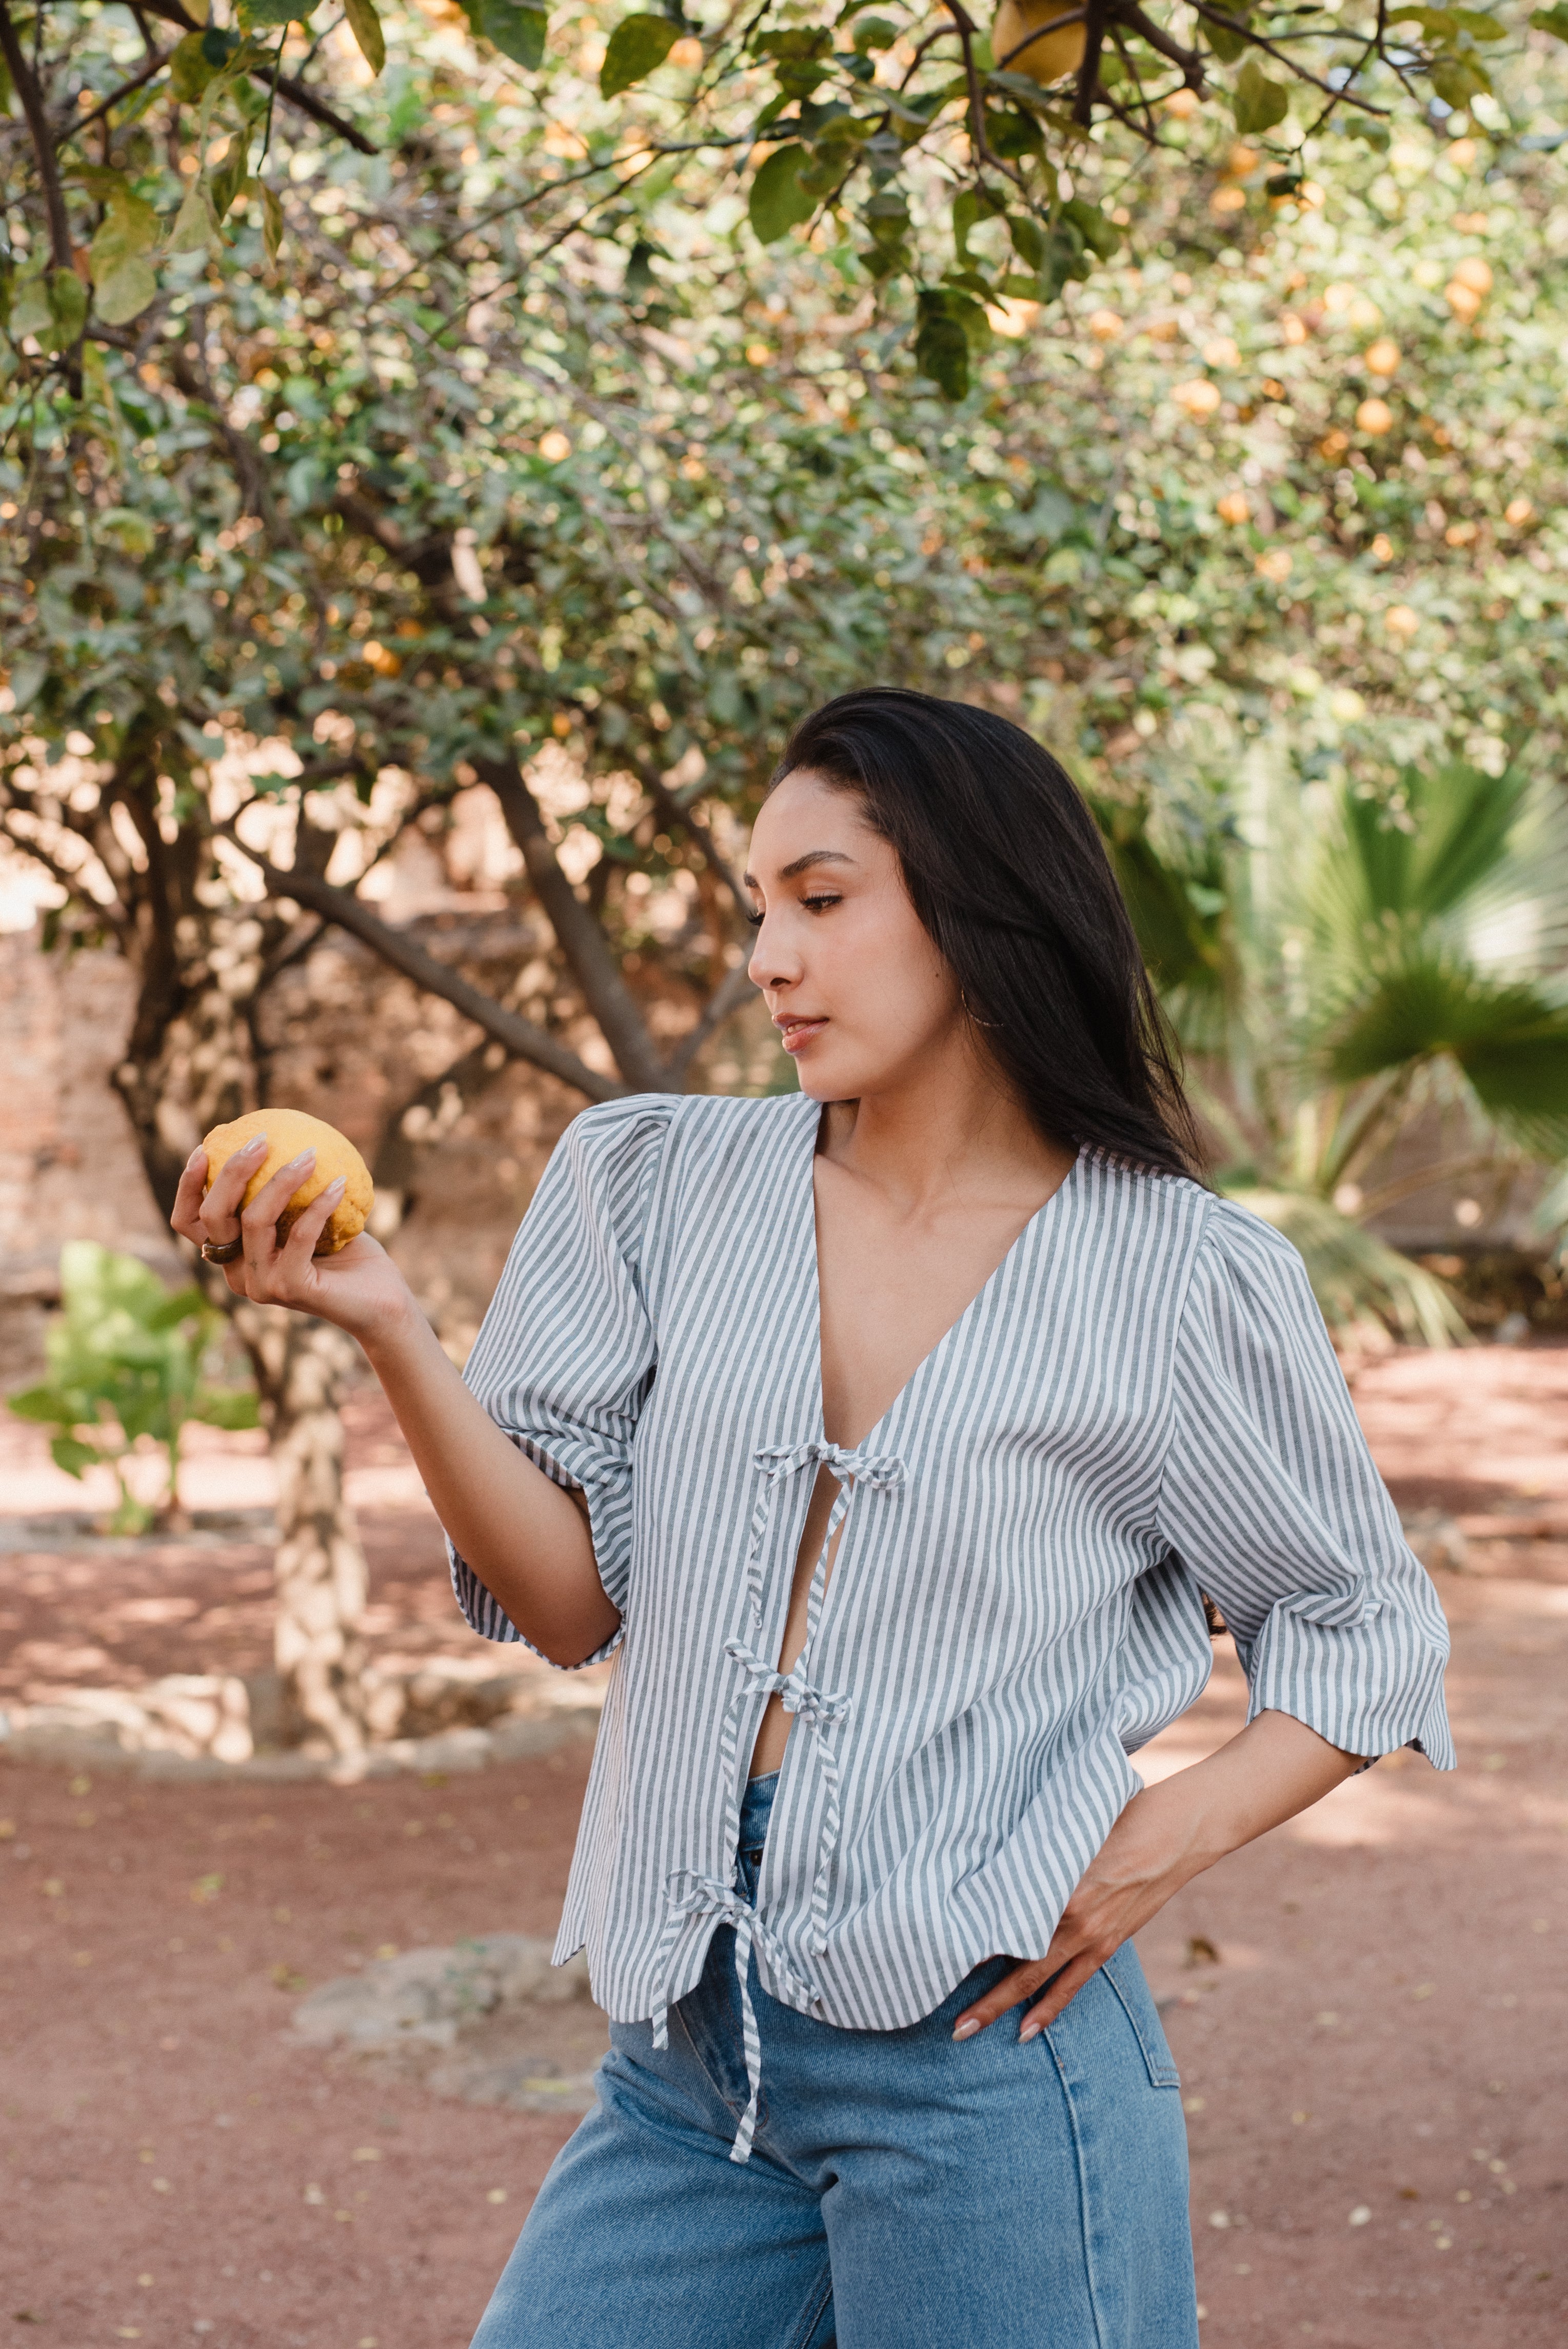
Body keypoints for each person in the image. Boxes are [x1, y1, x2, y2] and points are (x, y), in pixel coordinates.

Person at [172, 688, 1454, 2349]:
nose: (768, 958)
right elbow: (568, 1604)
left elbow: (1361, 1622)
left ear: (981, 908)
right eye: (755, 907)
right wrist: (397, 1331)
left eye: (822, 898)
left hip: (983, 2063)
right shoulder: (651, 1183)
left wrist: (1152, 1846)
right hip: (686, 2066)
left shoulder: (1179, 1276)